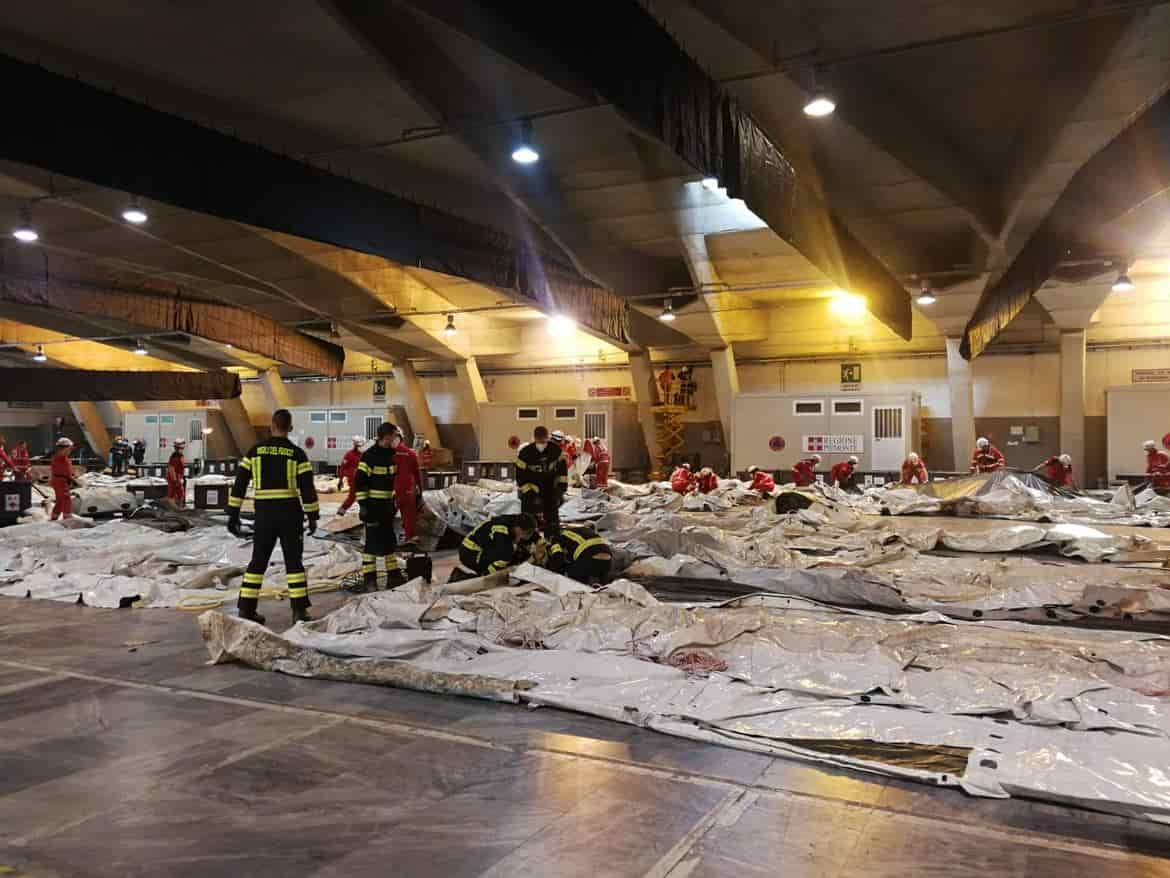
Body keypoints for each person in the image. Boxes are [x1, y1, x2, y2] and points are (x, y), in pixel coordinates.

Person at [228, 409, 319, 625]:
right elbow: (307, 488)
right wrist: (313, 515)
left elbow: (239, 484)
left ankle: (246, 609)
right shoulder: (297, 454)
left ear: (272, 426)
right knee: (294, 563)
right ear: (290, 427)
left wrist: (233, 514)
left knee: (258, 561)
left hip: (264, 516)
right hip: (290, 515)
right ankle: (299, 612)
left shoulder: (255, 452)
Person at [354, 422, 404, 591]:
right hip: (373, 508)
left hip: (387, 508)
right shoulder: (369, 456)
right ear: (387, 436)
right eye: (394, 435)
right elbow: (359, 483)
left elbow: (391, 483)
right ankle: (369, 579)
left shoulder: (390, 456)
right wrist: (364, 506)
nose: (396, 439)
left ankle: (393, 576)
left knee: (389, 542)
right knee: (372, 545)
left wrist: (393, 502)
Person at [449, 513, 537, 582]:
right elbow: (504, 555)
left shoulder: (514, 521)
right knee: (506, 556)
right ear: (519, 528)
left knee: (513, 554)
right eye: (525, 533)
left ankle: (485, 574)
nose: (525, 536)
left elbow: (529, 534)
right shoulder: (502, 532)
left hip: (479, 549)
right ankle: (468, 577)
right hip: (470, 553)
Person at [516, 426, 568, 533]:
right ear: (534, 438)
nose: (541, 444)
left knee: (552, 521)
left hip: (550, 490)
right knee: (527, 521)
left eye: (543, 441)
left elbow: (563, 473)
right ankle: (528, 541)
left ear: (547, 438)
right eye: (540, 441)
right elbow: (520, 475)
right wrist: (528, 492)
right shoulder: (525, 452)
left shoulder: (556, 451)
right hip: (531, 490)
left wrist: (560, 490)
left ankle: (552, 540)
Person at [544, 524, 612, 584]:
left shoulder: (556, 538)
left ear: (550, 537)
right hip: (608, 559)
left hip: (590, 559)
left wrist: (549, 572)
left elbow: (557, 559)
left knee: (571, 575)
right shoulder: (575, 531)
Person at [394, 431, 423, 543]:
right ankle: (409, 537)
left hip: (390, 490)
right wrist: (420, 488)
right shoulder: (410, 454)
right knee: (409, 516)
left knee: (386, 516)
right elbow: (417, 473)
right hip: (407, 490)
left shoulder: (387, 453)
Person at [49, 437, 77, 520]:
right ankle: (67, 516)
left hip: (60, 480)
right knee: (66, 498)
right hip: (60, 481)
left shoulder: (61, 457)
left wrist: (70, 478)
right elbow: (62, 471)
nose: (70, 451)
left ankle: (54, 516)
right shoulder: (60, 457)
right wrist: (69, 478)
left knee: (60, 500)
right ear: (64, 448)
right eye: (69, 449)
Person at [166, 439, 187, 506]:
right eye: (180, 448)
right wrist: (175, 480)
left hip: (177, 478)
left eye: (182, 448)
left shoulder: (180, 456)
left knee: (180, 494)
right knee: (174, 494)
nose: (182, 449)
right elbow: (171, 469)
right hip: (175, 480)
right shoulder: (175, 457)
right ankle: (175, 509)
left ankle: (178, 508)